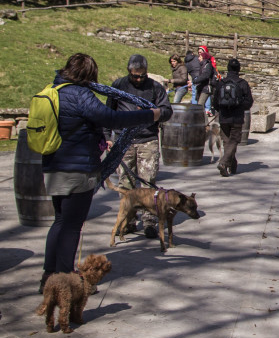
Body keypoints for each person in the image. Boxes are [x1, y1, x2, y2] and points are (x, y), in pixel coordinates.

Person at [40, 53, 163, 292]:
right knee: (72, 226)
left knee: (60, 222)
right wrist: (150, 114)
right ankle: (66, 280)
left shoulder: (54, 89)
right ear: (88, 75)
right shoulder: (80, 95)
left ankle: (48, 276)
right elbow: (111, 118)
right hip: (77, 169)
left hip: (55, 165)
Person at [104, 54, 173, 238]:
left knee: (147, 181)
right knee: (125, 183)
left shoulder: (155, 88)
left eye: (142, 76)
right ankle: (128, 220)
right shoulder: (119, 86)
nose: (138, 79)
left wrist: (152, 113)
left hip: (147, 139)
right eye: (135, 76)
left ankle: (150, 220)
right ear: (129, 72)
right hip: (123, 140)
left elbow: (167, 111)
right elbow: (107, 112)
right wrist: (106, 136)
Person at [211, 58, 254, 178]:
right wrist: (239, 107)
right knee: (234, 141)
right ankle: (224, 163)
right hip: (237, 118)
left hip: (224, 117)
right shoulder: (242, 83)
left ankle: (232, 164)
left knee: (227, 141)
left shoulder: (221, 83)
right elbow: (249, 102)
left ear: (228, 69)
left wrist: (222, 109)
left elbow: (215, 102)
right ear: (239, 69)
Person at [191, 47, 216, 115]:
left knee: (200, 105)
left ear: (203, 58)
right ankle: (203, 122)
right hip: (203, 87)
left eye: (200, 57)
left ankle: (199, 122)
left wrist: (195, 81)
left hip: (206, 88)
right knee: (200, 106)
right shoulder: (203, 65)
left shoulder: (207, 65)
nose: (199, 58)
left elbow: (205, 75)